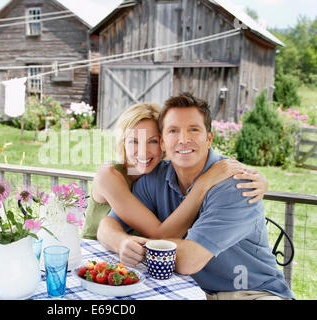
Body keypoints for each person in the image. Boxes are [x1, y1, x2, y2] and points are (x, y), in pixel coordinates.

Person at [97, 93, 294, 300]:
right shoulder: (152, 177)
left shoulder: (237, 185)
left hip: (252, 293)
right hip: (187, 290)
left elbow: (188, 260)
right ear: (164, 142)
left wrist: (139, 248)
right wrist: (121, 242)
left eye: (194, 129)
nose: (183, 140)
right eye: (173, 131)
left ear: (209, 138)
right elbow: (106, 225)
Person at [81, 102, 269, 242]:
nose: (144, 152)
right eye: (134, 141)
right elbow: (159, 234)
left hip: (140, 261)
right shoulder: (110, 175)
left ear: (163, 143)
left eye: (153, 141)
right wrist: (203, 184)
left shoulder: (162, 172)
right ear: (122, 142)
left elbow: (200, 154)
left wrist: (258, 179)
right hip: (97, 253)